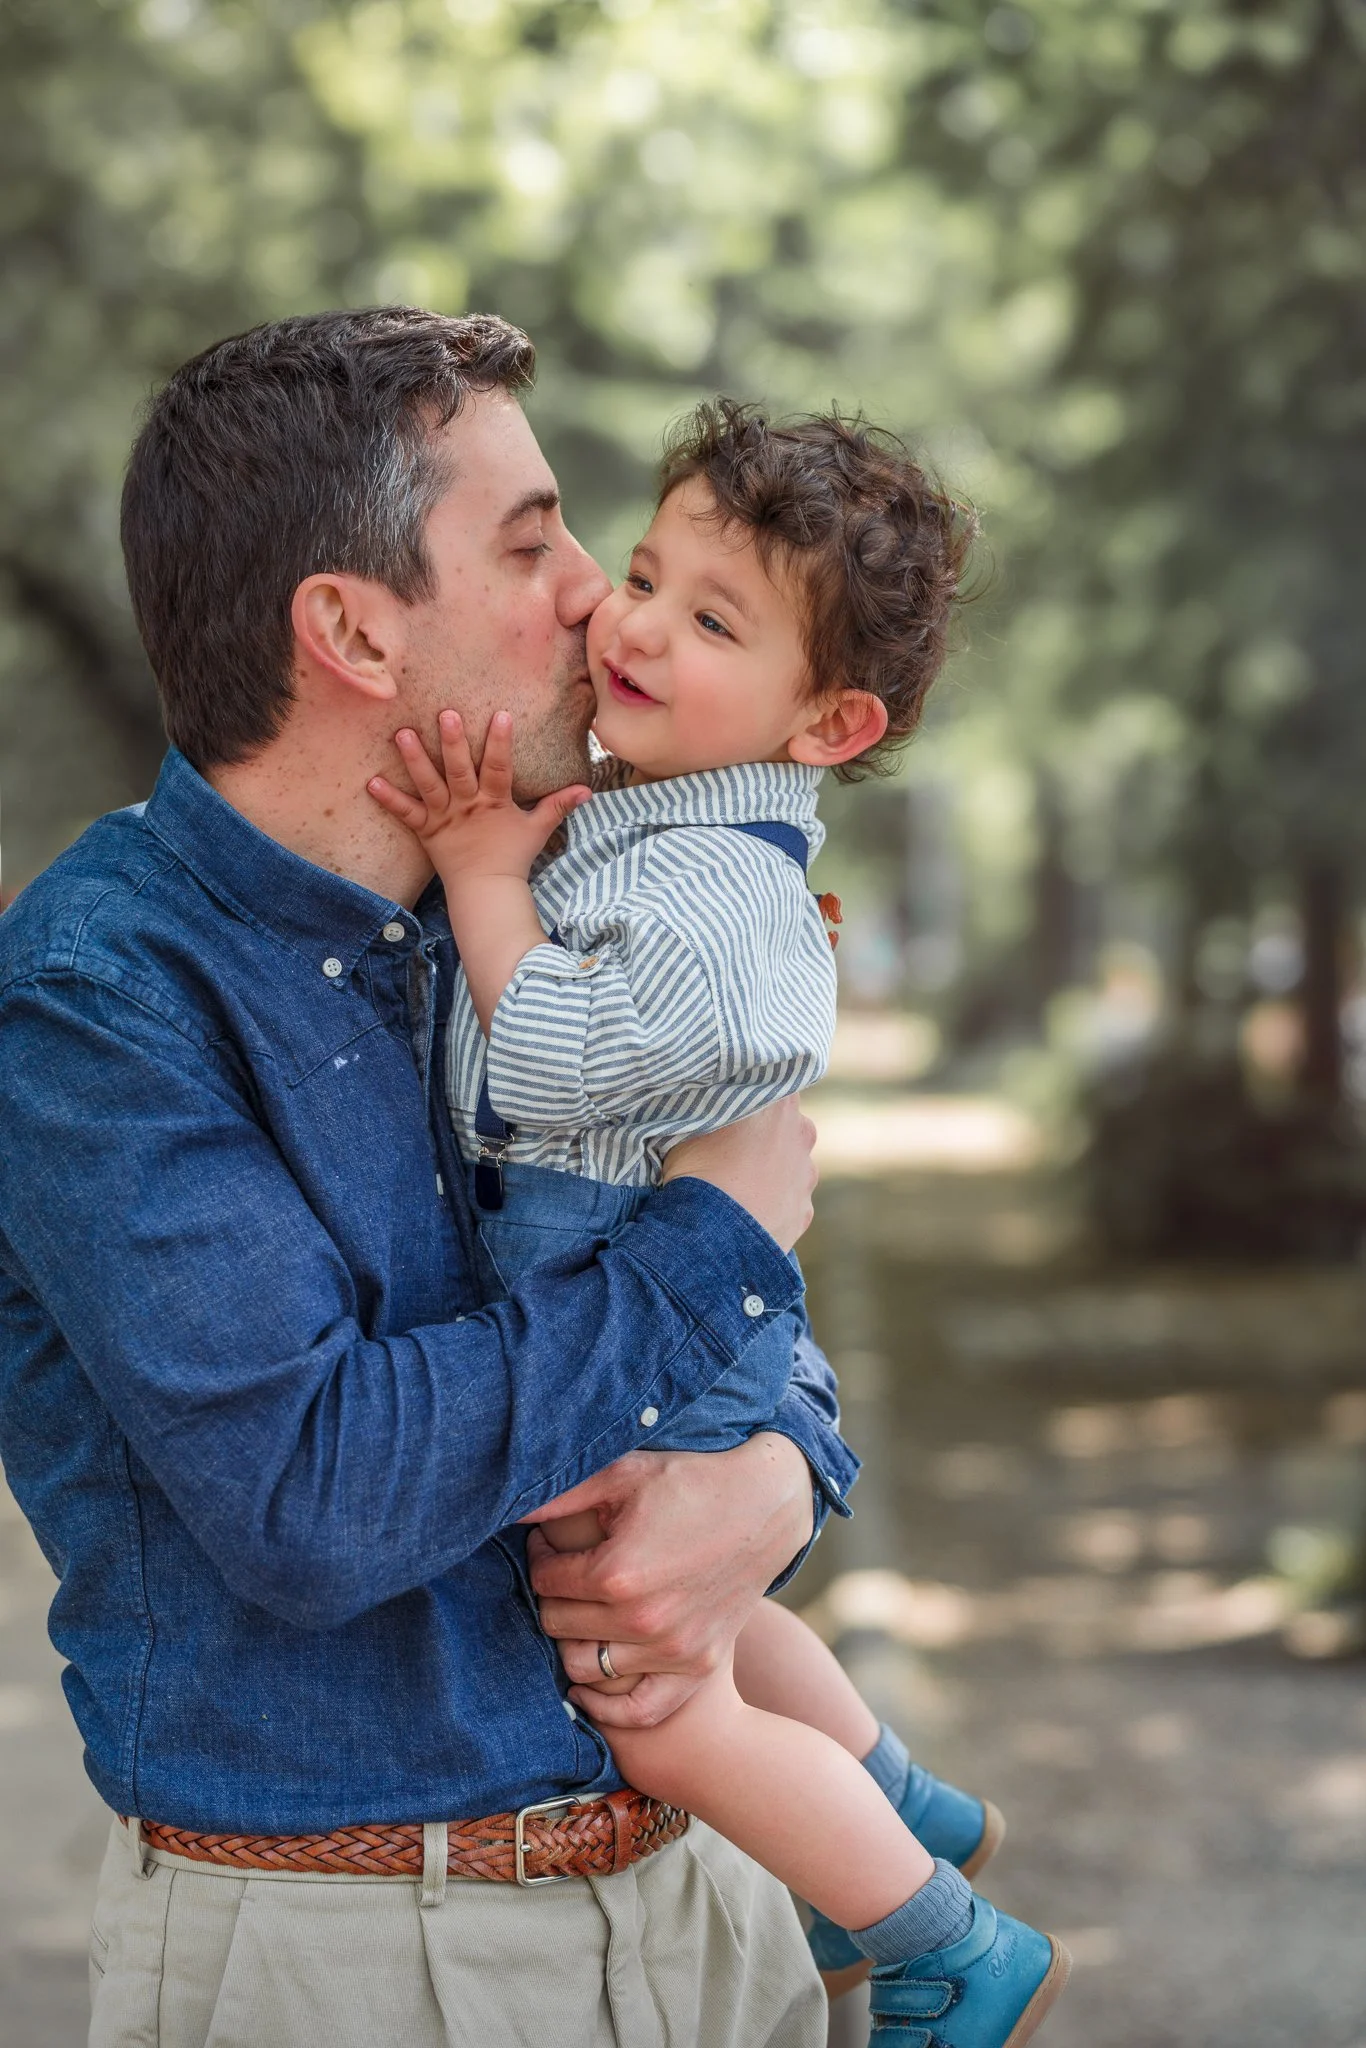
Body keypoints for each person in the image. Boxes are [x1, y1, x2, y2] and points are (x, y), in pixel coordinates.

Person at [0, 310, 852, 2048]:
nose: (590, 597)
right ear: (351, 631)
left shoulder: (530, 917)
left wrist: (782, 1467)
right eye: (531, 544)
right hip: (360, 1956)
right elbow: (316, 1496)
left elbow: (734, 1296)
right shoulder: (98, 996)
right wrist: (716, 1243)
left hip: (706, 1906)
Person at [367, 400, 1071, 2045]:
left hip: (654, 1330)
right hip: (644, 1310)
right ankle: (895, 1810)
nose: (631, 626)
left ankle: (943, 1936)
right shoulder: (655, 817)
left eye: (710, 619)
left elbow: (550, 1055)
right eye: (639, 573)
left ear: (826, 725)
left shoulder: (721, 890)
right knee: (721, 1623)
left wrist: (479, 873)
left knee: (657, 1701)